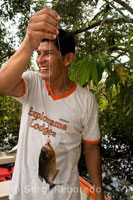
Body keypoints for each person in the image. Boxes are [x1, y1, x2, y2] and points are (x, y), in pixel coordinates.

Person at [0, 8, 105, 200]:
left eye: (47, 54)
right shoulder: (32, 83)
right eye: (38, 54)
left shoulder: (85, 101)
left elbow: (91, 150)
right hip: (23, 195)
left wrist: (98, 193)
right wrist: (28, 43)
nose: (40, 60)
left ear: (68, 59)